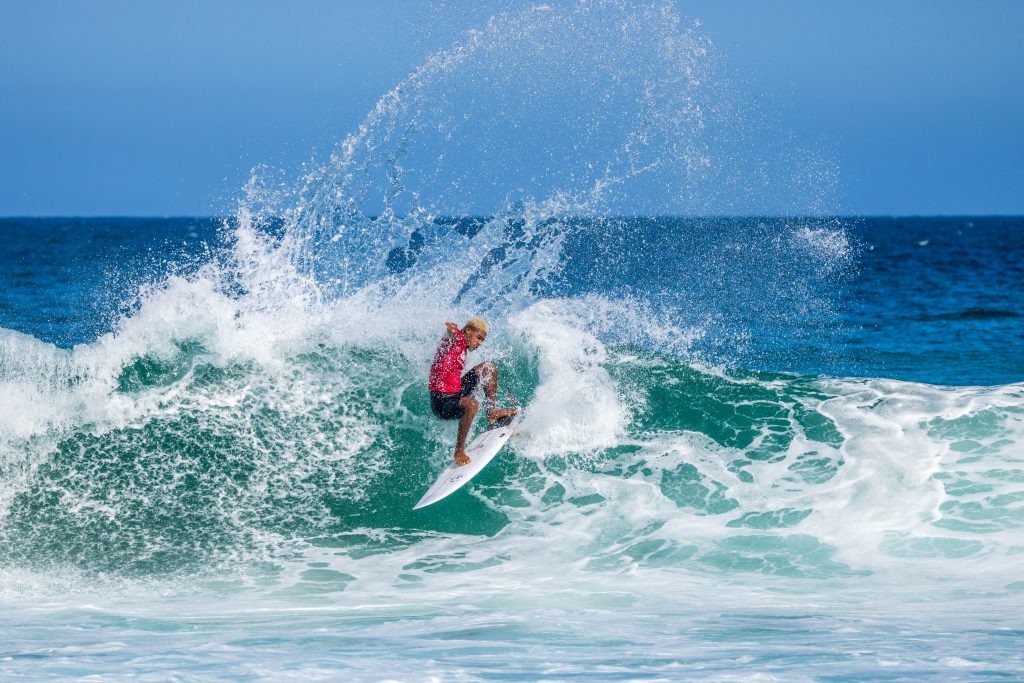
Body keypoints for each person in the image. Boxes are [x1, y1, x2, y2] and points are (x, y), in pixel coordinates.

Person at [429, 317, 518, 466]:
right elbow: (452, 334)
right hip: (442, 403)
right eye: (478, 338)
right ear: (467, 330)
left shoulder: (463, 346)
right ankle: (458, 451)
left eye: (482, 340)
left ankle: (492, 412)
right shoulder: (455, 339)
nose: (479, 343)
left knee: (489, 367)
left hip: (456, 394)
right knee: (472, 404)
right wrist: (451, 330)